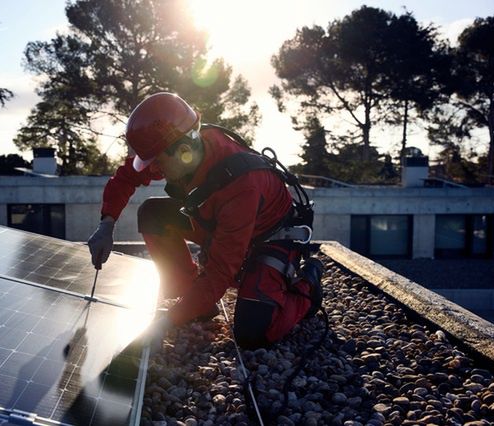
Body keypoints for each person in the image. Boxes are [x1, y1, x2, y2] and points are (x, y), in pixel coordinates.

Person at [87, 92, 323, 349]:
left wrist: (166, 322)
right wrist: (106, 225)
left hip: (269, 240)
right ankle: (192, 300)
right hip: (218, 223)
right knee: (152, 214)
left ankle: (309, 286)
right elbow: (125, 178)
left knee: (253, 332)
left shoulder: (242, 185)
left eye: (158, 164)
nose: (153, 172)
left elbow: (220, 272)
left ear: (184, 151)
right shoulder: (184, 149)